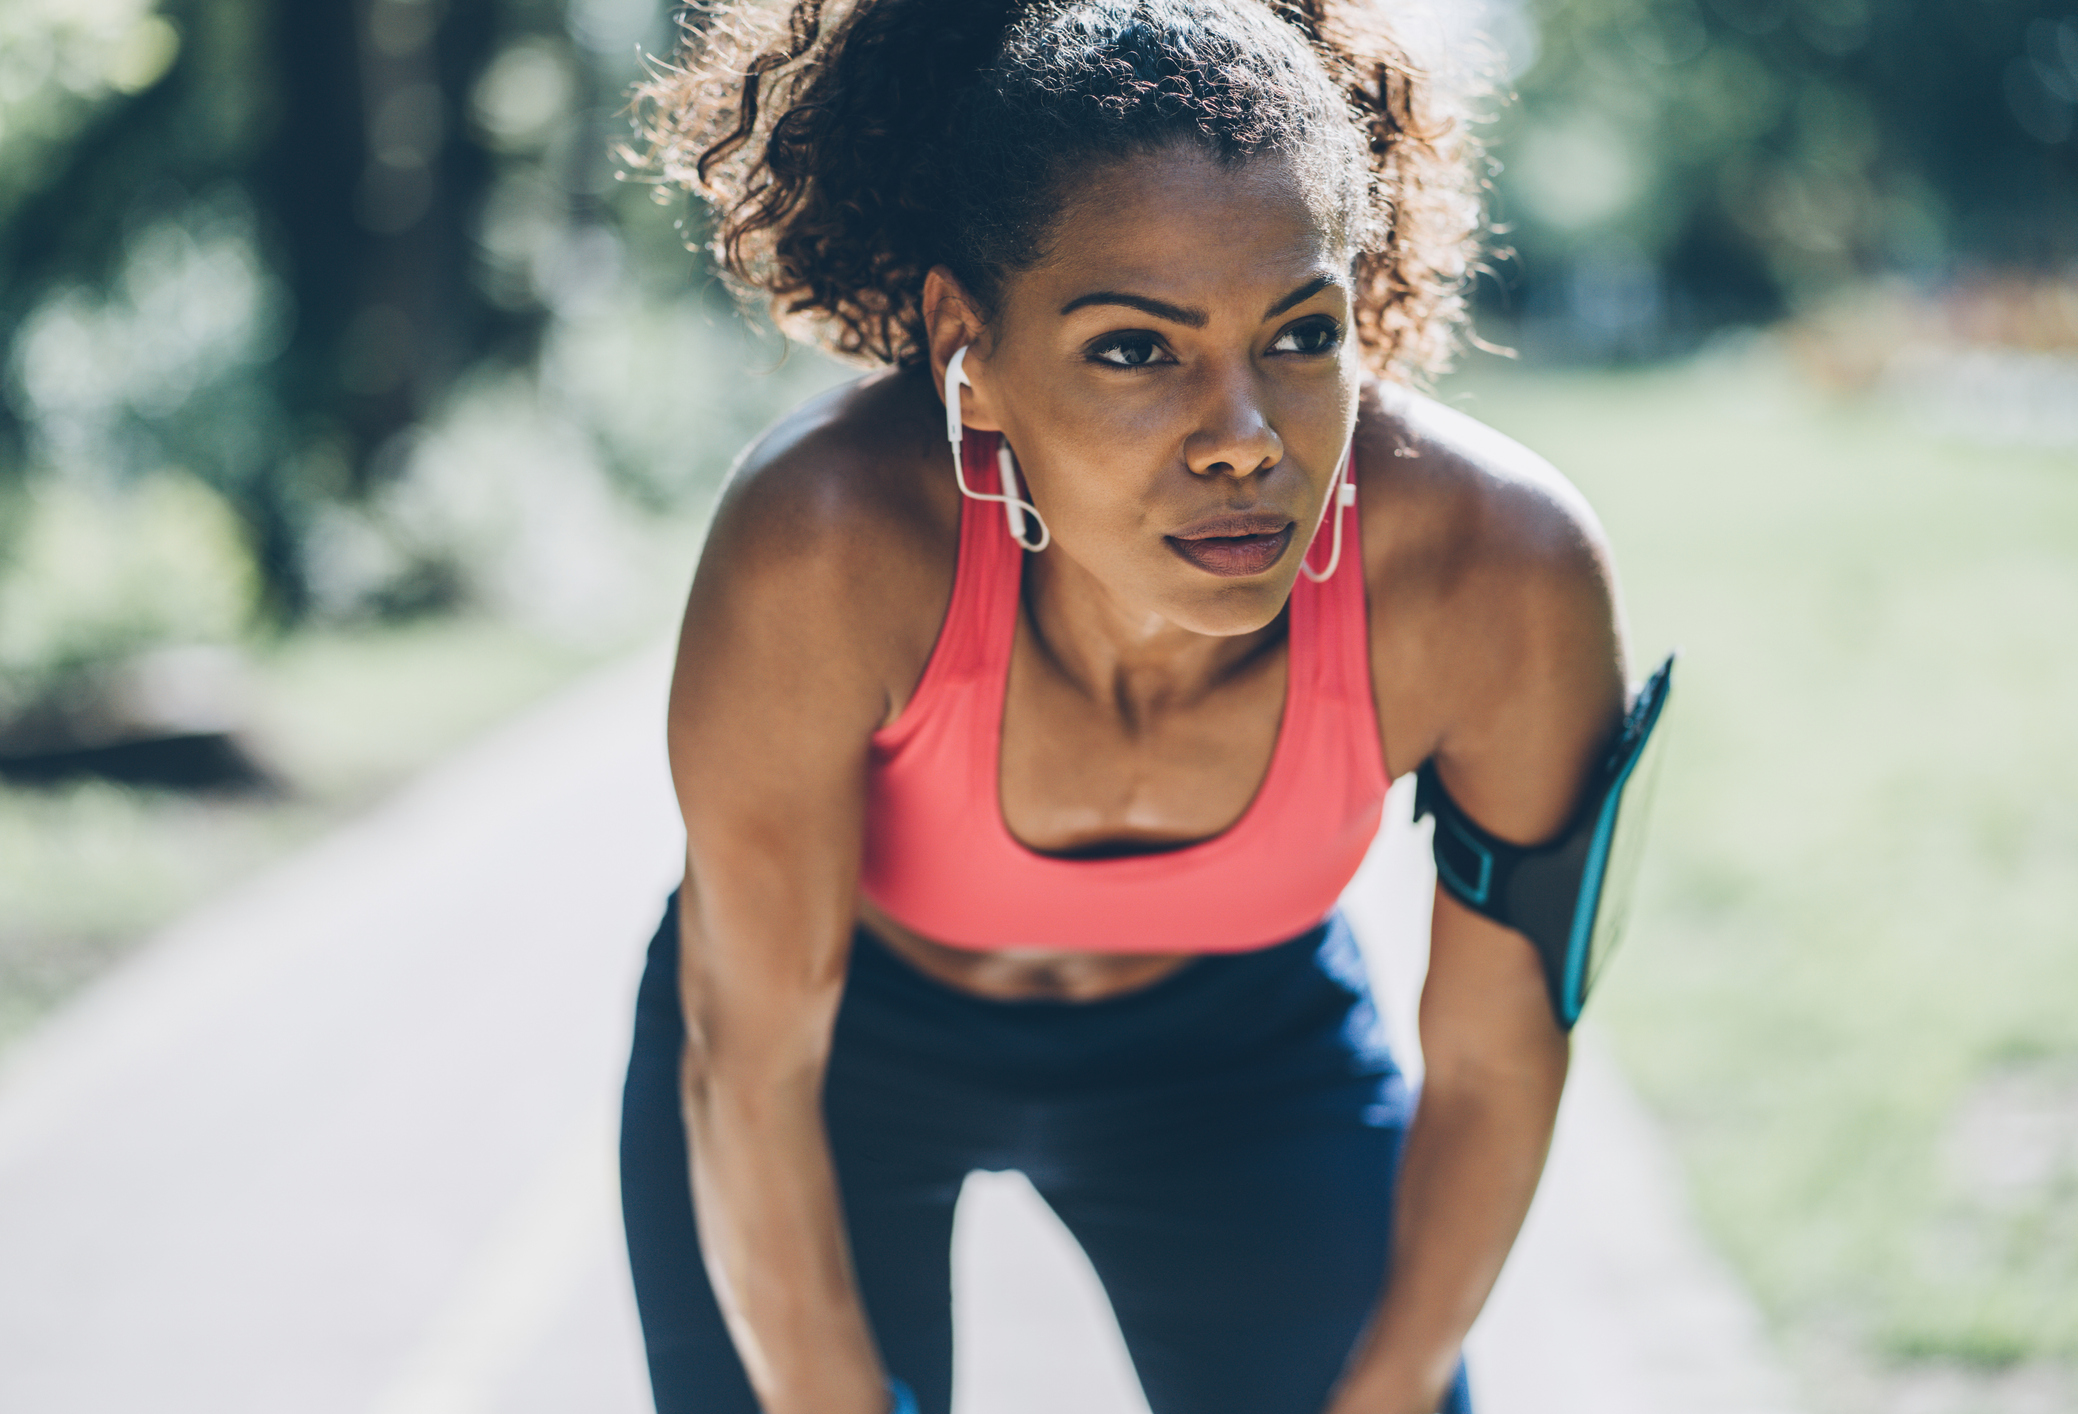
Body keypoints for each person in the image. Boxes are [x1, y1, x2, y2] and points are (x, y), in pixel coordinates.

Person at [617, 2, 1627, 1412]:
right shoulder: (827, 546)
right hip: (837, 1050)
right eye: (1132, 349)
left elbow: (1491, 1057)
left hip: (1234, 1059)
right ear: (968, 342)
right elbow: (757, 1062)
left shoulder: (1495, 572)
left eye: (1298, 331)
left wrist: (1390, 1381)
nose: (1243, 441)